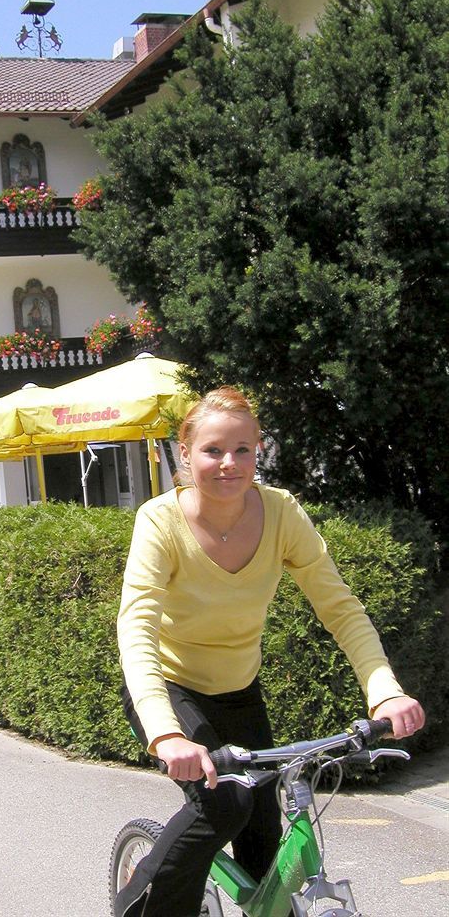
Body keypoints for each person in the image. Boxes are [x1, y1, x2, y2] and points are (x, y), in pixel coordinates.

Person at [114, 387, 425, 917]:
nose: (229, 464)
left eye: (243, 450)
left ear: (259, 450)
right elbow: (137, 624)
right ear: (185, 454)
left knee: (265, 859)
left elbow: (340, 607)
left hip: (240, 692)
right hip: (173, 690)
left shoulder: (282, 513)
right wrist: (165, 732)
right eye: (213, 450)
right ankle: (138, 908)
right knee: (224, 806)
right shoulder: (159, 521)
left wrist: (385, 692)